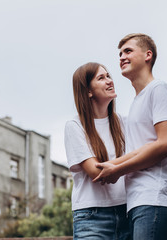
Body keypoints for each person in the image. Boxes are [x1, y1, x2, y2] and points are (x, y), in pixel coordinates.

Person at [93, 33, 167, 240]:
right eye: (120, 53)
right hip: (140, 201)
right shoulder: (136, 102)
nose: (122, 57)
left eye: (128, 51)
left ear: (147, 55)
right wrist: (113, 165)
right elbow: (143, 148)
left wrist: (118, 169)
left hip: (155, 197)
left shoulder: (158, 89)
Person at [64, 62, 130, 240]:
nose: (110, 81)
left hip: (128, 211)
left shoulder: (125, 123)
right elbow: (96, 171)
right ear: (88, 91)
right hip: (92, 216)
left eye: (109, 76)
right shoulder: (75, 126)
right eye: (101, 78)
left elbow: (155, 148)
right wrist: (141, 156)